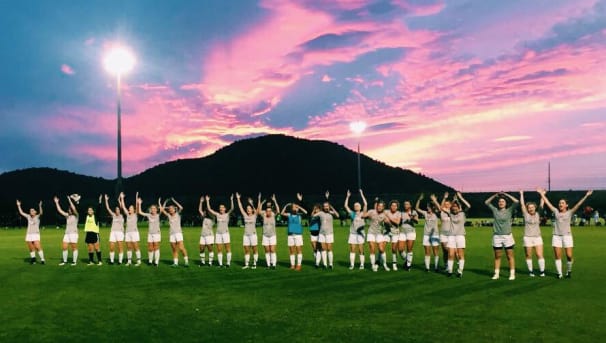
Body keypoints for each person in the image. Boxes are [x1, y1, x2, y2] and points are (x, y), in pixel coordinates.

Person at [538, 188, 593, 278]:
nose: (560, 204)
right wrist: (542, 194)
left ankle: (569, 271)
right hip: (556, 236)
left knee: (569, 256)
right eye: (560, 203)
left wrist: (586, 195)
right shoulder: (555, 211)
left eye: (562, 203)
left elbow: (578, 204)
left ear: (566, 205)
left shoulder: (570, 212)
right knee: (557, 256)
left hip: (567, 236)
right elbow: (547, 202)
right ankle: (559, 273)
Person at [432, 192, 470, 277]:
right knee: (451, 254)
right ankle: (450, 271)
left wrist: (460, 198)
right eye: (453, 207)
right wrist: (445, 199)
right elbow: (441, 208)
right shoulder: (450, 213)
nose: (455, 208)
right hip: (451, 236)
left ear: (459, 207)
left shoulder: (462, 213)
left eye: (456, 207)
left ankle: (460, 271)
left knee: (460, 254)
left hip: (460, 236)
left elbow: (468, 206)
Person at [485, 192, 519, 280]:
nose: (501, 203)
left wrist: (506, 195)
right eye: (499, 201)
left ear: (506, 203)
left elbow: (516, 202)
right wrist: (494, 195)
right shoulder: (495, 210)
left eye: (503, 201)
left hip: (507, 236)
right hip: (497, 236)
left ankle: (512, 274)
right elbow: (487, 202)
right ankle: (496, 273)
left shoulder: (509, 210)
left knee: (509, 256)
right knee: (497, 256)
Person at [520, 190, 545, 277]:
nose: (531, 208)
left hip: (537, 237)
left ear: (535, 207)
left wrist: (542, 195)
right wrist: (521, 194)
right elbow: (522, 205)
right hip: (527, 237)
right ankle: (531, 271)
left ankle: (542, 271)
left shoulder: (538, 214)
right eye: (529, 207)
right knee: (528, 255)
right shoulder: (526, 215)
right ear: (527, 209)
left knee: (539, 254)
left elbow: (542, 204)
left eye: (532, 207)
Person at [206, 194, 234, 267]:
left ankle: (228, 263)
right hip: (218, 234)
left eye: (222, 207)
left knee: (227, 248)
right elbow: (209, 209)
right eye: (220, 207)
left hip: (225, 233)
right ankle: (220, 264)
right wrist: (207, 200)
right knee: (219, 249)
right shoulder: (217, 215)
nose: (221, 209)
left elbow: (232, 208)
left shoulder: (227, 214)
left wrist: (231, 200)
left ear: (225, 209)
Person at [160, 197, 189, 267]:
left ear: (174, 209)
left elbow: (181, 207)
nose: (170, 210)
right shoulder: (169, 216)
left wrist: (173, 200)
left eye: (172, 209)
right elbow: (162, 209)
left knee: (181, 248)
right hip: (171, 234)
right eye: (169, 209)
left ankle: (186, 261)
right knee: (174, 249)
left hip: (178, 233)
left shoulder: (178, 214)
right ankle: (175, 263)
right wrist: (165, 202)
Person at [281, 198, 308, 271]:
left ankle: (299, 265)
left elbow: (306, 212)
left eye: (296, 208)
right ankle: (292, 265)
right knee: (291, 251)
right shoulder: (289, 215)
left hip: (298, 235)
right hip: (290, 235)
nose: (295, 209)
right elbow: (282, 213)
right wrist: (286, 205)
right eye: (294, 207)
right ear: (291, 209)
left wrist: (298, 206)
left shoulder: (299, 216)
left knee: (299, 250)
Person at [344, 189, 368, 270]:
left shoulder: (363, 213)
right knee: (352, 249)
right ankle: (352, 264)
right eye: (355, 206)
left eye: (357, 206)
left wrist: (362, 194)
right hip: (353, 234)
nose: (356, 207)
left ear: (360, 207)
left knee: (361, 249)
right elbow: (346, 206)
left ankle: (362, 264)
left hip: (360, 234)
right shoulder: (352, 214)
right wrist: (347, 197)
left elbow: (366, 204)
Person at [314, 193, 339, 269]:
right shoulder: (320, 213)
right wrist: (314, 211)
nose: (326, 207)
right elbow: (312, 215)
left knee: (329, 248)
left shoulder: (331, 213)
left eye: (327, 206)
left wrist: (332, 208)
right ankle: (325, 264)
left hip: (329, 233)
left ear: (329, 207)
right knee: (323, 249)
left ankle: (330, 264)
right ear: (323, 207)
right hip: (321, 233)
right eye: (324, 206)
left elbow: (337, 215)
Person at [415, 194, 440, 272]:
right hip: (426, 235)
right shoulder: (425, 213)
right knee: (427, 252)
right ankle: (427, 268)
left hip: (435, 235)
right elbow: (416, 208)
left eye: (429, 207)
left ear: (432, 207)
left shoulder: (436, 213)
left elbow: (439, 208)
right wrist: (419, 200)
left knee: (435, 252)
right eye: (427, 207)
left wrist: (434, 200)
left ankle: (436, 267)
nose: (427, 208)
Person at [17, 199, 45, 265]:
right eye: (30, 211)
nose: (31, 211)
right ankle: (33, 259)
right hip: (29, 234)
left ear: (35, 212)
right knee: (31, 247)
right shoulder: (28, 216)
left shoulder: (37, 217)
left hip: (35, 234)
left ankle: (42, 259)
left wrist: (40, 206)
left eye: (32, 210)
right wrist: (19, 206)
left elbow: (41, 213)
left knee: (37, 246)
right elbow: (21, 212)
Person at [365, 200, 390, 272]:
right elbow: (364, 216)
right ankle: (373, 266)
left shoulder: (384, 215)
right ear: (377, 206)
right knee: (372, 249)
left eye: (381, 206)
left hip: (379, 233)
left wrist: (389, 224)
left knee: (381, 249)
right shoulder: (371, 212)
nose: (380, 207)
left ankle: (385, 265)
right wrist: (365, 206)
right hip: (371, 233)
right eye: (379, 206)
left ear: (383, 208)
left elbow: (388, 223)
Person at [54, 196, 78, 266]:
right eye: (69, 210)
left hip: (74, 234)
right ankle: (64, 261)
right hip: (67, 234)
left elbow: (74, 208)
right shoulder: (67, 216)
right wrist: (56, 203)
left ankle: (74, 262)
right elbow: (60, 210)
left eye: (70, 210)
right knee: (64, 247)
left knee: (74, 247)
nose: (69, 210)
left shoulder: (76, 215)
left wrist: (70, 200)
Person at [236, 193, 259, 269]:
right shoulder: (245, 216)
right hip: (246, 235)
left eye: (249, 209)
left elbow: (258, 209)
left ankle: (255, 264)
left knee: (254, 249)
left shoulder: (254, 215)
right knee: (246, 250)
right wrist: (238, 198)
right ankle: (246, 264)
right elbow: (240, 207)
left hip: (253, 235)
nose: (248, 210)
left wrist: (252, 204)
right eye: (247, 209)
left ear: (252, 210)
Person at [137, 196, 161, 266]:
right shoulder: (148, 215)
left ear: (156, 210)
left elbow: (162, 209)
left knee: (156, 247)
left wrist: (159, 203)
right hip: (150, 233)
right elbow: (139, 212)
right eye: (151, 208)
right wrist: (139, 204)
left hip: (156, 234)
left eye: (154, 208)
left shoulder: (158, 215)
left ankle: (156, 262)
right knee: (150, 247)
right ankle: (150, 261)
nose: (152, 209)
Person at [119, 192, 141, 266]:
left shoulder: (135, 214)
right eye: (129, 208)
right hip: (127, 232)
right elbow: (123, 206)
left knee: (135, 246)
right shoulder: (127, 215)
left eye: (131, 208)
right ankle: (129, 261)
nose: (129, 209)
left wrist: (136, 197)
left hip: (134, 232)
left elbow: (137, 206)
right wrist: (122, 198)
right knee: (128, 247)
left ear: (134, 210)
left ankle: (138, 261)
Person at [259, 194, 280, 269]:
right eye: (267, 211)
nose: (268, 212)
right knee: (267, 251)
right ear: (266, 211)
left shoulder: (273, 215)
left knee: (272, 250)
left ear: (271, 211)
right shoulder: (264, 215)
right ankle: (268, 265)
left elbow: (278, 210)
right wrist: (261, 202)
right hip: (265, 236)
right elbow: (258, 211)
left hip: (272, 235)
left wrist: (274, 200)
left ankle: (273, 264)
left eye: (270, 211)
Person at [104, 194, 125, 265]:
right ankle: (112, 261)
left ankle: (120, 261)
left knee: (120, 247)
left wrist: (121, 199)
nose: (117, 210)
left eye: (118, 209)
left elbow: (122, 206)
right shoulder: (113, 215)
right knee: (112, 247)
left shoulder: (122, 216)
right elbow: (108, 208)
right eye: (116, 209)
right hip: (113, 232)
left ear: (120, 210)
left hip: (120, 232)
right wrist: (106, 200)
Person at [84, 196, 103, 265]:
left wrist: (100, 201)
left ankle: (100, 261)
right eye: (89, 210)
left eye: (91, 210)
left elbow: (99, 209)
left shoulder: (96, 216)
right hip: (88, 234)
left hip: (95, 233)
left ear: (93, 211)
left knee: (97, 248)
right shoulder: (86, 216)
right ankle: (91, 261)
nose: (90, 211)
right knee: (90, 249)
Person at [400, 200, 419, 271]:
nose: (405, 205)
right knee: (400, 249)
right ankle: (407, 260)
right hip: (402, 232)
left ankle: (408, 265)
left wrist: (412, 218)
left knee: (409, 249)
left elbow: (417, 221)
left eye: (407, 204)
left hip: (411, 232)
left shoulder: (413, 212)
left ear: (410, 206)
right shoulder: (401, 213)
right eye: (405, 204)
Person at [384, 200, 402, 271]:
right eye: (392, 205)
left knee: (394, 249)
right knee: (382, 247)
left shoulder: (399, 213)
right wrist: (391, 221)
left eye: (395, 206)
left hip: (395, 232)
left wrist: (389, 218)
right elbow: (385, 220)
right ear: (390, 206)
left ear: (397, 207)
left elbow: (397, 222)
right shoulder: (386, 211)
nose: (394, 207)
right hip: (387, 231)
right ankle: (379, 263)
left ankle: (394, 264)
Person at [198, 196, 215, 267]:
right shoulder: (204, 217)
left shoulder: (213, 217)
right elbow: (199, 210)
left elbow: (209, 208)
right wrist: (201, 202)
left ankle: (210, 262)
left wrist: (207, 201)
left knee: (210, 249)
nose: (204, 212)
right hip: (203, 235)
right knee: (201, 248)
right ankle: (202, 262)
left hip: (209, 235)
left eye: (205, 211)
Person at [438, 192, 452, 270]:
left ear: (450, 205)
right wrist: (444, 198)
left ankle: (450, 264)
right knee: (445, 251)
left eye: (448, 204)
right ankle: (446, 264)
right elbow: (440, 207)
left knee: (449, 250)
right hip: (443, 234)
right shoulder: (442, 213)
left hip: (451, 234)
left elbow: (442, 208)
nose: (446, 205)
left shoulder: (452, 213)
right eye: (445, 204)